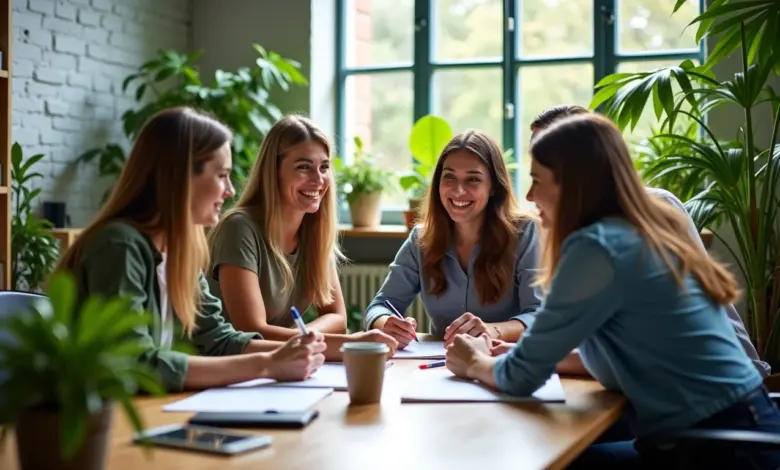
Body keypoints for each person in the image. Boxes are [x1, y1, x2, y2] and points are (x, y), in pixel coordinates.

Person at [445, 113, 780, 469]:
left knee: (540, 457)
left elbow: (520, 379)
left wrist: (474, 363)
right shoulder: (638, 230)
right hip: (739, 425)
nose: (529, 195)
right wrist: (528, 351)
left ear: (572, 185)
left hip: (718, 448)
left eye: (537, 180)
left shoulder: (597, 248)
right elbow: (612, 364)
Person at [54, 107, 326, 393]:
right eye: (221, 175)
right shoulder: (119, 246)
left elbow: (215, 338)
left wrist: (290, 354)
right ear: (181, 177)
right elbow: (134, 362)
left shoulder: (178, 249)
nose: (230, 190)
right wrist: (267, 364)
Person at [509, 103, 770, 378]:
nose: (530, 194)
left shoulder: (631, 223)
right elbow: (625, 354)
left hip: (725, 390)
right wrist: (517, 354)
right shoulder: (588, 232)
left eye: (545, 172)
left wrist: (508, 361)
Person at [207, 114, 398, 357]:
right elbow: (250, 330)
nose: (318, 180)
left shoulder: (314, 231)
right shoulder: (239, 228)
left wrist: (308, 339)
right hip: (224, 368)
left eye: (324, 167)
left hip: (279, 364)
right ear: (273, 172)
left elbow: (337, 317)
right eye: (303, 167)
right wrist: (328, 343)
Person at [364, 130, 543, 349]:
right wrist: (385, 323)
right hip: (441, 368)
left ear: (493, 187)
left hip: (503, 363)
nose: (459, 191)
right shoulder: (421, 239)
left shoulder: (525, 233)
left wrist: (494, 330)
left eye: (473, 179)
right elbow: (379, 306)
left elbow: (539, 315)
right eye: (449, 177)